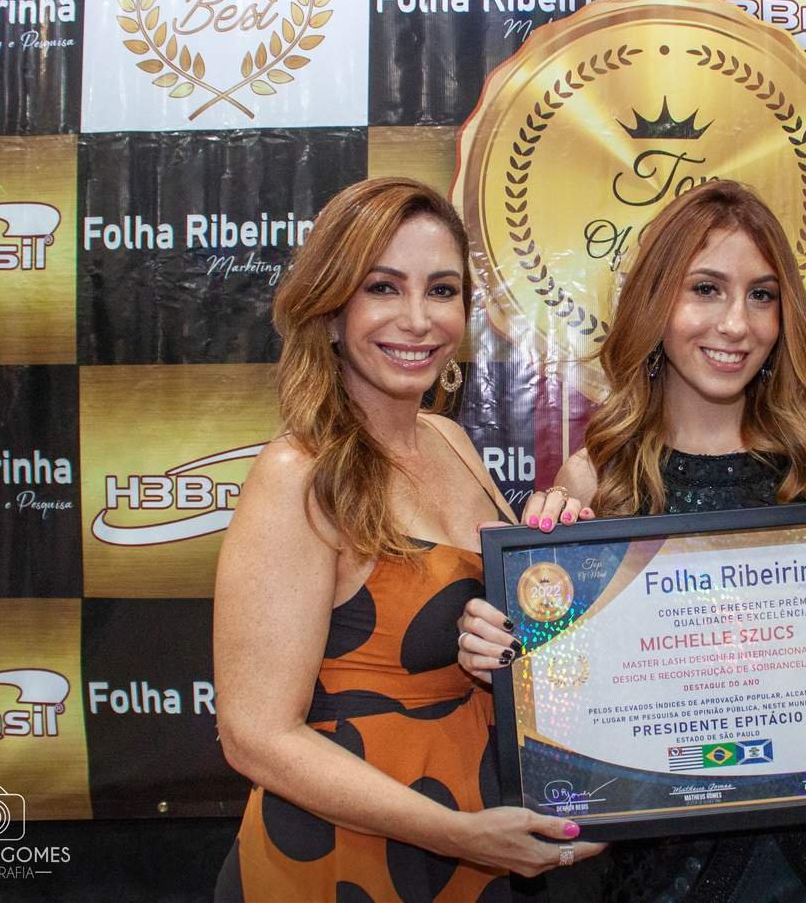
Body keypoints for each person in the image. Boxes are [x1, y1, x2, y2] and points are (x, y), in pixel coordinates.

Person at [456, 179, 806, 902]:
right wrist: (504, 645)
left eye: (762, 295)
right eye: (706, 289)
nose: (736, 324)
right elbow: (566, 695)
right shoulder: (598, 479)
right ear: (657, 302)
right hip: (670, 870)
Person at [213, 177, 602, 903]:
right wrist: (456, 834)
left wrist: (558, 564)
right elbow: (255, 735)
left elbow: (507, 639)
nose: (419, 319)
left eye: (442, 290)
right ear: (331, 311)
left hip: (476, 838)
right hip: (349, 857)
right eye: (383, 288)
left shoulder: (449, 439)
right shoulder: (300, 473)